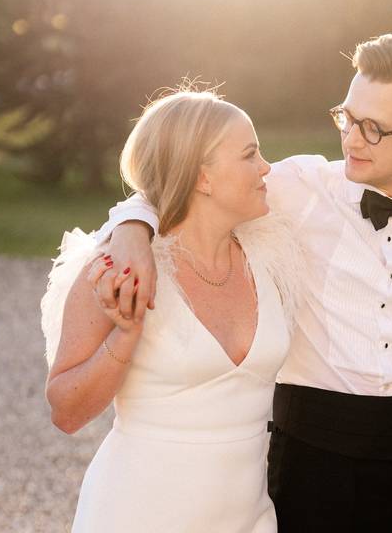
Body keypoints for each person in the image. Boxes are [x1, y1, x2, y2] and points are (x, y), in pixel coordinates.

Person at [97, 31, 392, 533]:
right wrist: (132, 227)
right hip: (312, 462)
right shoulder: (299, 188)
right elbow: (182, 184)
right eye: (348, 117)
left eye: (374, 128)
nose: (353, 139)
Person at [40, 91, 301, 532]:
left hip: (249, 520)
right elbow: (66, 412)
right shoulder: (119, 269)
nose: (265, 167)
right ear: (202, 177)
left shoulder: (271, 254)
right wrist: (125, 335)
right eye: (250, 154)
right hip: (136, 515)